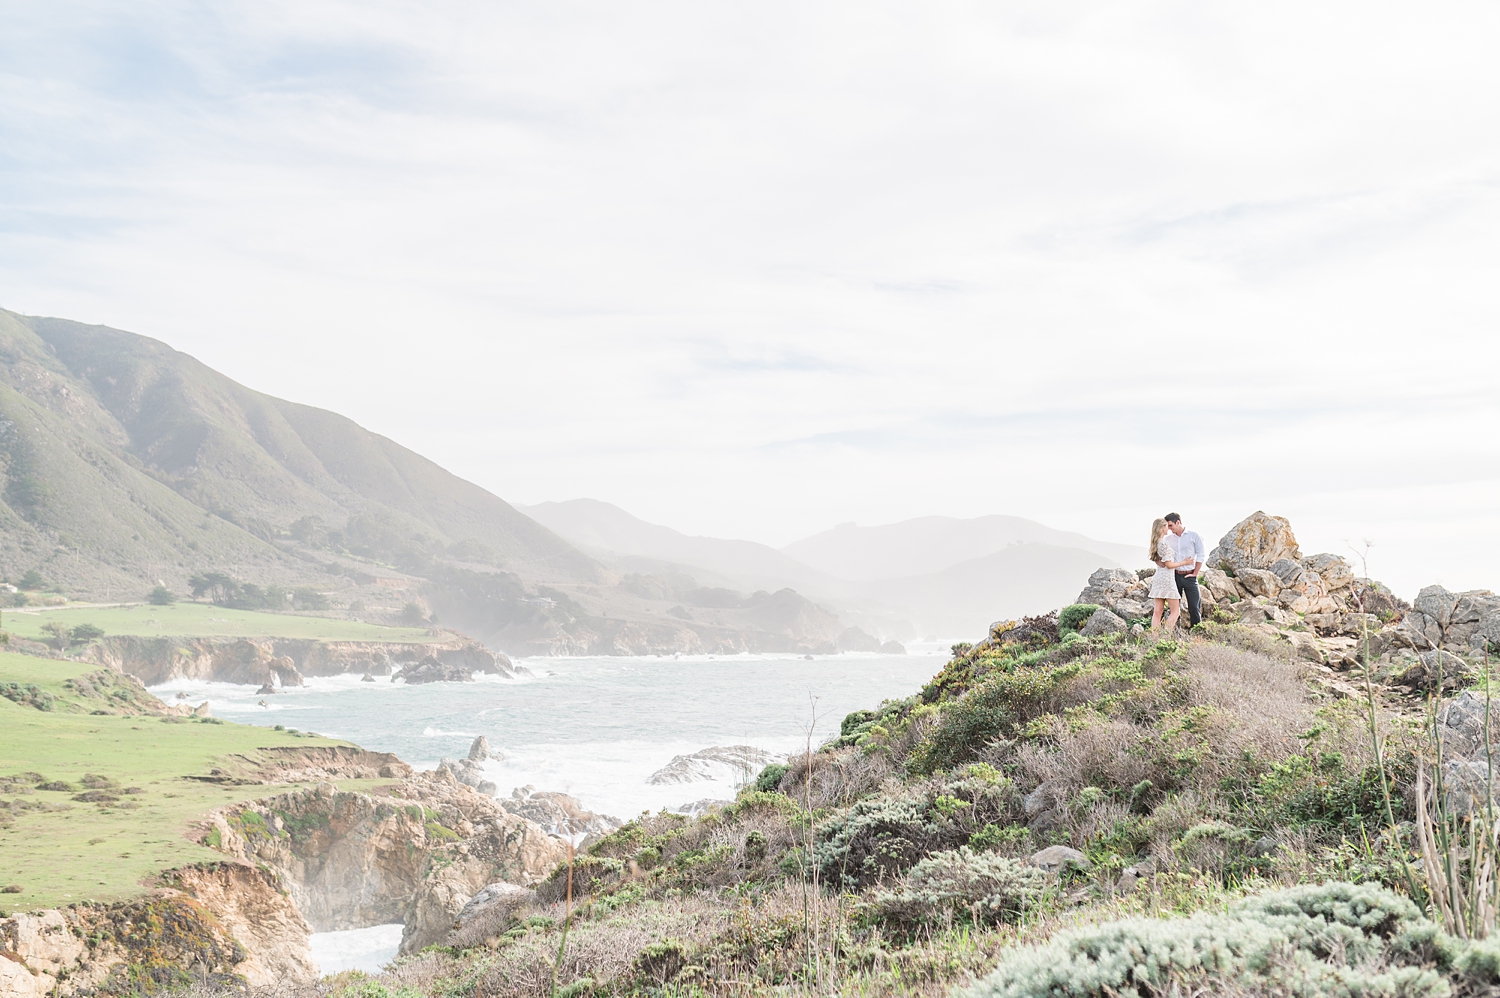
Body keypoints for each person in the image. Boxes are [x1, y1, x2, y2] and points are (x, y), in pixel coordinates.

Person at [1147, 517, 1194, 632]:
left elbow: (1155, 558)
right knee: (1175, 611)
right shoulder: (1163, 543)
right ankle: (1165, 635)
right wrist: (1184, 562)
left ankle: (1154, 637)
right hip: (1167, 578)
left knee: (1158, 611)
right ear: (1163, 528)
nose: (1168, 528)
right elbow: (1168, 564)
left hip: (1159, 577)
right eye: (1166, 526)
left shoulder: (1155, 542)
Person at [1165, 512, 1206, 628]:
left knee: (1194, 607)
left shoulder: (1194, 536)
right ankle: (1176, 635)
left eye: (1170, 525)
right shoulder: (1168, 539)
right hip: (1175, 576)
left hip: (1190, 576)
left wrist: (1195, 573)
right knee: (1174, 608)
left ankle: (1197, 633)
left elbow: (1201, 555)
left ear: (1178, 522)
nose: (1169, 529)